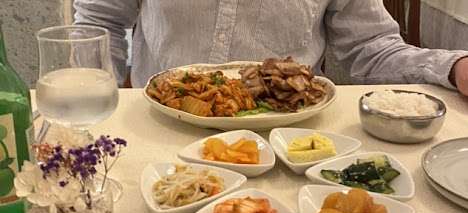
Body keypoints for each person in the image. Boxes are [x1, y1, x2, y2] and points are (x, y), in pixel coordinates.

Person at [73, 0, 468, 95]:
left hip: (288, 141)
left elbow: (372, 48)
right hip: (161, 127)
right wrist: (90, 102)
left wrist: (453, 67)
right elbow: (98, 22)